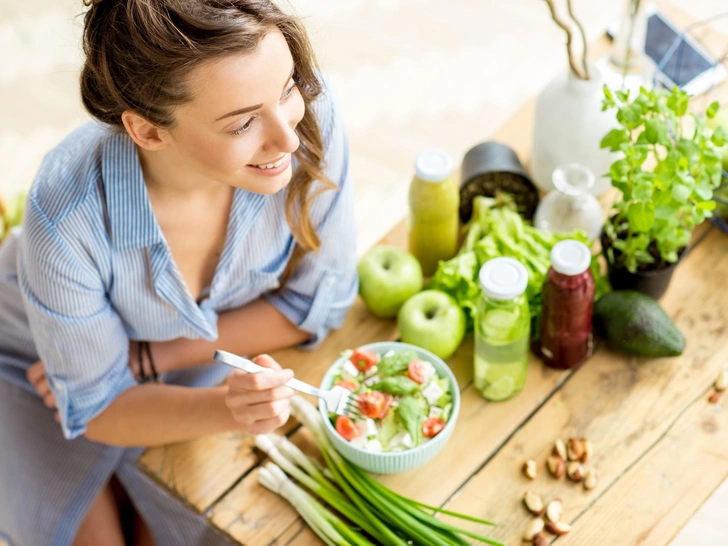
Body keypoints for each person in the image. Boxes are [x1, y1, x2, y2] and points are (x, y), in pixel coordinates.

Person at [0, 0, 357, 544]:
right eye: (242, 122)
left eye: (286, 88)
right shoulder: (65, 212)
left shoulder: (308, 121)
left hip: (173, 363)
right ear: (147, 131)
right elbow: (100, 406)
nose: (288, 137)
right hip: (28, 366)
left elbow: (317, 304)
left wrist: (152, 357)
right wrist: (228, 406)